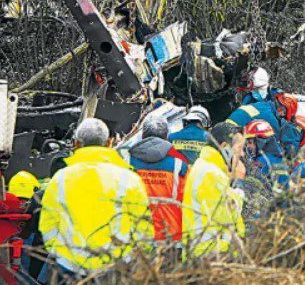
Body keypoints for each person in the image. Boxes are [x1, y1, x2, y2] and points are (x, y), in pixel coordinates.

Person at [39, 118, 152, 277]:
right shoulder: (129, 179)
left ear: (77, 144)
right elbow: (143, 228)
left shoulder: (61, 179)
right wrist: (131, 258)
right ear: (108, 143)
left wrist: (60, 254)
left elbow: (47, 224)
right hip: (116, 267)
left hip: (69, 267)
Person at [182, 122, 246, 258]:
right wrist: (239, 182)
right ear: (224, 147)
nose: (243, 154)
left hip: (209, 253)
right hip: (207, 255)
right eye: (239, 148)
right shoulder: (210, 173)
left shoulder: (209, 168)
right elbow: (229, 213)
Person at [125, 113, 190, 242]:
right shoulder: (180, 166)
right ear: (167, 136)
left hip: (136, 237)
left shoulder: (126, 163)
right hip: (170, 237)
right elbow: (188, 201)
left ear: (142, 135)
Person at [226, 67, 282, 133]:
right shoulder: (249, 98)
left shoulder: (277, 96)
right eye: (253, 90)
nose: (253, 92)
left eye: (255, 89)